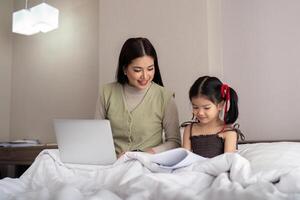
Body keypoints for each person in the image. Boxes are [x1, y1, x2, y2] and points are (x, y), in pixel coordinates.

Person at [95, 37, 181, 157]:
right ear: (124, 69)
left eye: (150, 69)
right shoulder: (106, 92)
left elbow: (175, 142)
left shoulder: (165, 97)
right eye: (137, 70)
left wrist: (145, 153)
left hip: (147, 164)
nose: (145, 76)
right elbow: (96, 135)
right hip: (113, 163)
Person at [182, 76, 244, 158]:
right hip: (194, 170)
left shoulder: (228, 132)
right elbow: (184, 160)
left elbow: (228, 162)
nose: (200, 113)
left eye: (206, 108)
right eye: (195, 107)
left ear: (220, 105)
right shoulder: (189, 129)